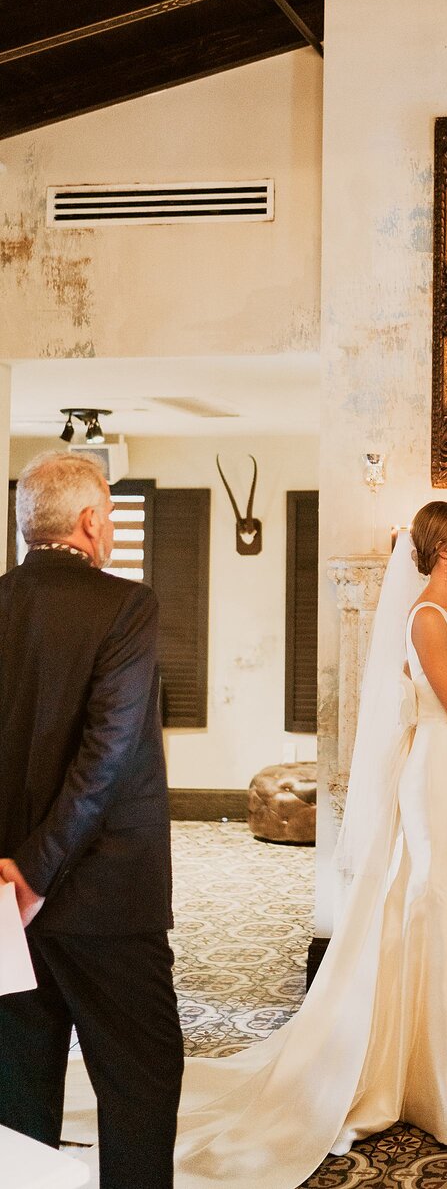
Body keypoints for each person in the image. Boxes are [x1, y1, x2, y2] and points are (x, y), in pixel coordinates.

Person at [63, 501, 447, 1188]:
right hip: (435, 779)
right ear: (443, 547)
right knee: (439, 905)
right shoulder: (424, 618)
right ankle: (439, 1080)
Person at [0, 450, 183, 1189]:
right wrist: (40, 870)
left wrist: (14, 872)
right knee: (141, 1078)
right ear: (87, 522)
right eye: (106, 513)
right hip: (107, 897)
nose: (107, 528)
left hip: (6, 898)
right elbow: (105, 756)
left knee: (18, 1088)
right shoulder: (126, 606)